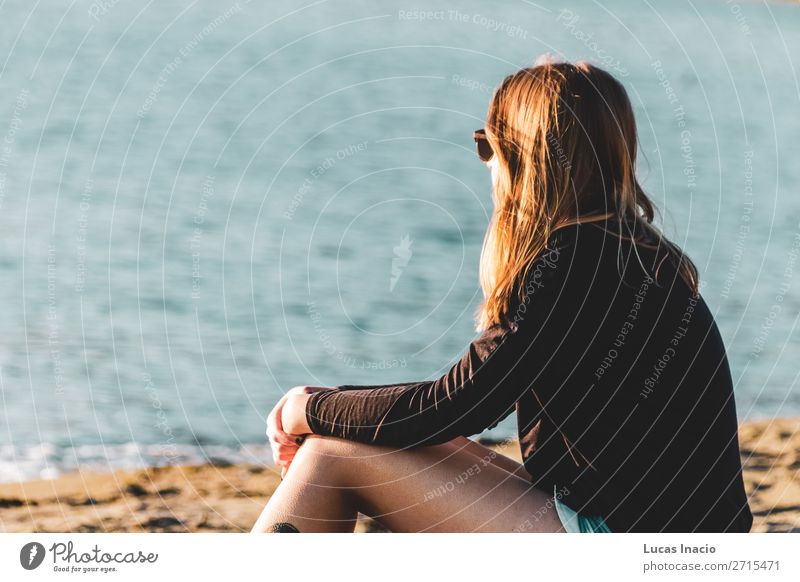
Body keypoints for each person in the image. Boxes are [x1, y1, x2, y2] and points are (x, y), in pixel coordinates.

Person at [252, 60, 753, 533]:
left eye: (485, 145)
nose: (485, 164)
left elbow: (454, 407)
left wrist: (306, 410)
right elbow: (461, 396)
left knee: (330, 458)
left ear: (522, 159)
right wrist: (331, 405)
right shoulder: (630, 253)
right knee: (357, 440)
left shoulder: (571, 266)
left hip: (629, 545)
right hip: (662, 536)